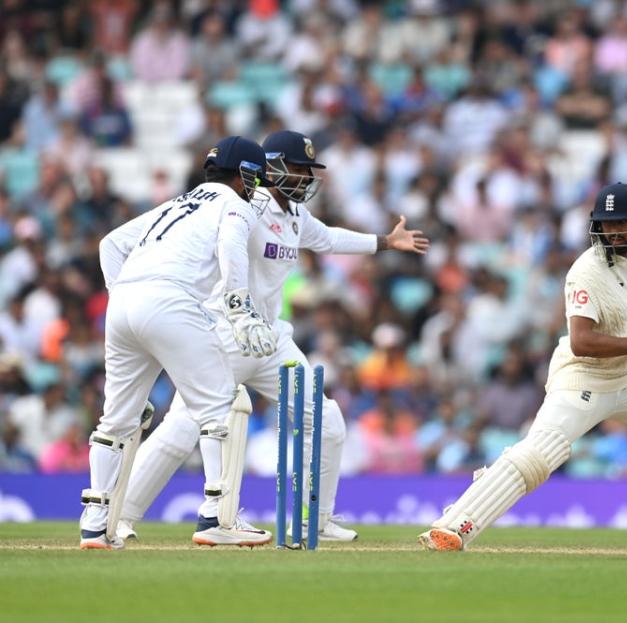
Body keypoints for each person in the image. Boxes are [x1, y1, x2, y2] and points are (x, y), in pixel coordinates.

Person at [117, 130, 429, 543]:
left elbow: (329, 239)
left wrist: (386, 242)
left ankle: (313, 520)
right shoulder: (246, 206)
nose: (306, 178)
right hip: (226, 333)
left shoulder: (296, 216)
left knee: (327, 421)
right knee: (182, 428)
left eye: (309, 171)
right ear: (274, 167)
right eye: (299, 169)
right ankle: (122, 516)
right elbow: (219, 245)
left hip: (270, 341)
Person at [418, 182, 627, 555]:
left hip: (625, 378)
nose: (614, 231)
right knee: (542, 452)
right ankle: (455, 524)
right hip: (582, 379)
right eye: (608, 223)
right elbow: (581, 341)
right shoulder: (585, 272)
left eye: (623, 223)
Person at [83, 136, 277, 549]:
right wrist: (239, 307)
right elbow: (229, 247)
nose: (258, 188)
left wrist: (122, 294)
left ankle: (95, 522)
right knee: (219, 406)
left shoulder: (176, 203)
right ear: (245, 175)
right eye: (257, 179)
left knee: (116, 419)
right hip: (172, 300)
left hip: (122, 304)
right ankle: (216, 517)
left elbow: (110, 244)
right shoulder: (234, 205)